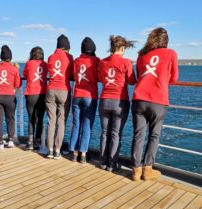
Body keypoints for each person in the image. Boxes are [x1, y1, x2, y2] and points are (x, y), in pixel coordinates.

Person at [131, 27, 178, 181]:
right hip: (158, 100)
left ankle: (135, 171)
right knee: (154, 136)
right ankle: (147, 170)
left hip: (139, 100)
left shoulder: (141, 54)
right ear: (166, 40)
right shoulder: (171, 53)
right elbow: (174, 78)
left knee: (138, 135)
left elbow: (138, 75)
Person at [98, 35, 136, 171]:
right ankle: (112, 164)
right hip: (120, 101)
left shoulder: (102, 62)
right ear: (121, 48)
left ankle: (102, 161)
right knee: (115, 133)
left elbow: (101, 79)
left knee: (104, 132)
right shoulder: (126, 62)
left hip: (104, 100)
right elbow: (132, 81)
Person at [69, 37, 99, 163]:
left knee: (76, 124)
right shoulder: (96, 61)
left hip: (77, 95)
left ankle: (74, 153)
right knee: (87, 126)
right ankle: (83, 155)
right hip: (89, 96)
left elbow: (72, 75)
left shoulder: (76, 61)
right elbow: (100, 76)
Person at [46, 34, 74, 159]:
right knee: (61, 121)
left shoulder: (50, 57)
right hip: (64, 90)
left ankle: (49, 150)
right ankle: (57, 150)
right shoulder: (69, 57)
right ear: (67, 47)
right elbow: (72, 73)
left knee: (51, 121)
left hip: (51, 89)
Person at [0, 45, 22, 150]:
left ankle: (0, 142)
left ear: (1, 57)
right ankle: (11, 140)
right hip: (10, 97)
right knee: (10, 119)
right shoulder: (14, 69)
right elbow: (18, 84)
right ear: (10, 57)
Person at [23, 47, 48, 150]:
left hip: (31, 93)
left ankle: (30, 142)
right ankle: (37, 141)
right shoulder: (45, 64)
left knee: (31, 118)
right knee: (40, 118)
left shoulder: (29, 63)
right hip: (42, 93)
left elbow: (25, 74)